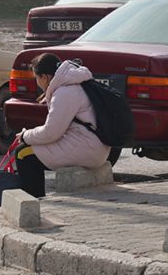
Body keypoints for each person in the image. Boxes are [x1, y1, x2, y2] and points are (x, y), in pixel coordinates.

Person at [12, 53, 111, 197]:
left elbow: (51, 133)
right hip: (95, 145)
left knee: (23, 153)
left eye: (37, 78)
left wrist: (25, 136)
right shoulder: (77, 83)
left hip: (86, 149)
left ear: (45, 77)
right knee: (29, 149)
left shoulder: (64, 92)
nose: (37, 82)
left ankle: (35, 200)